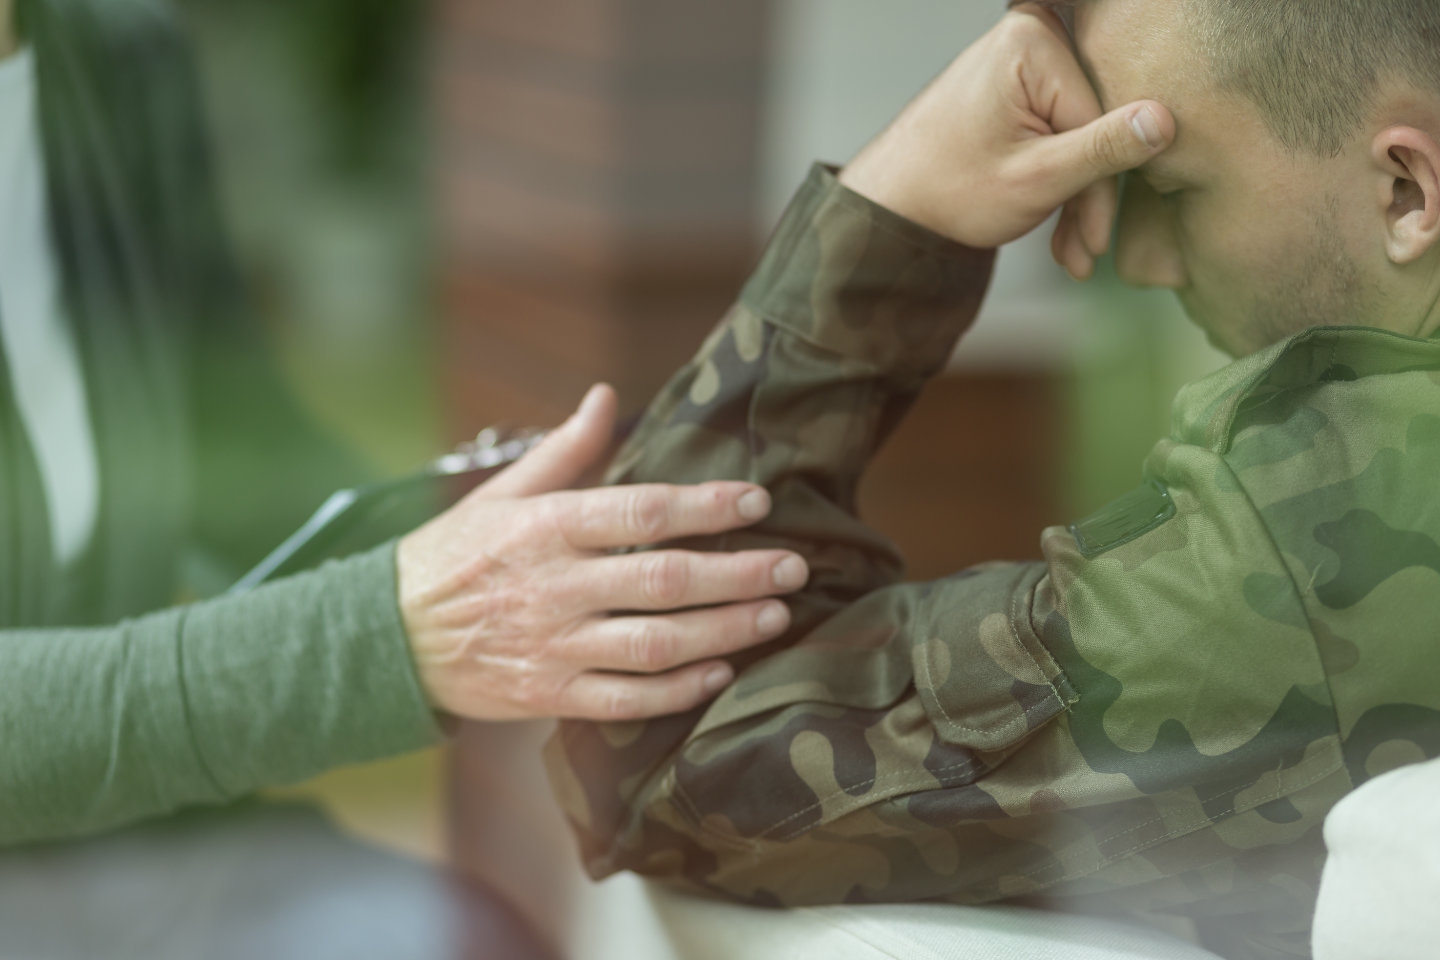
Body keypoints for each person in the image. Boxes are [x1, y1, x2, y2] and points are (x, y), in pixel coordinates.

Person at [544, 0, 1440, 956]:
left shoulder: (1309, 541)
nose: (1140, 262)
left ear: (1407, 190)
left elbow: (645, 756)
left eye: (1171, 192)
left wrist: (901, 209)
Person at [0, 0, 813, 954]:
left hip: (131, 841)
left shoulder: (112, 52)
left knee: (472, 942)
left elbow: (240, 441)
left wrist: (522, 554)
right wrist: (388, 637)